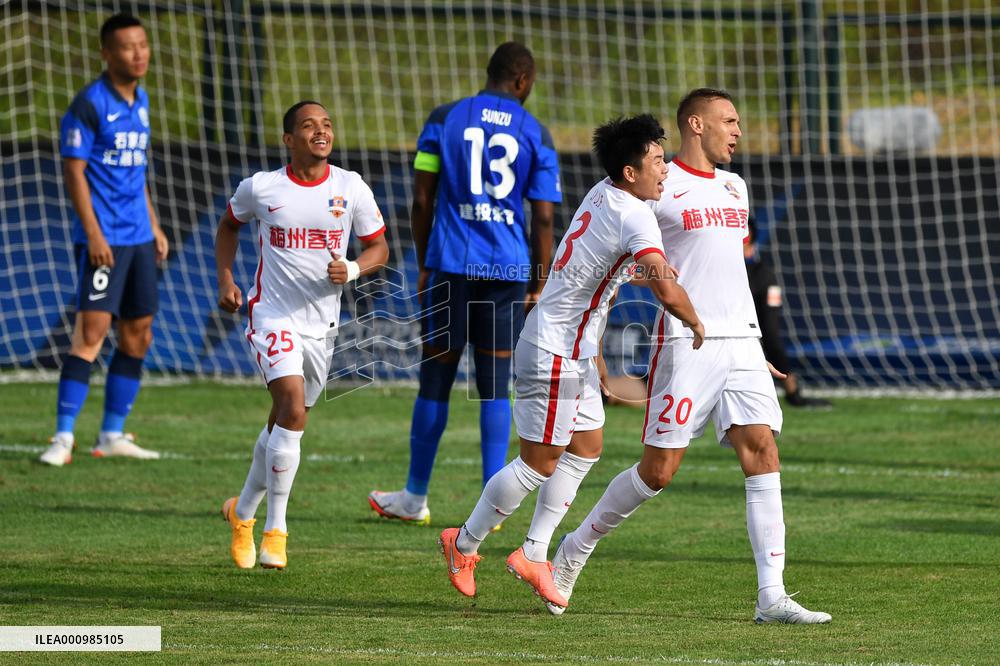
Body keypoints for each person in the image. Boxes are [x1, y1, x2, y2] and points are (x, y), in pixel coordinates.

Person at [549, 89, 832, 624]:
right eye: (730, 120)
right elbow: (617, 257)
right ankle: (575, 546)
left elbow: (728, 271)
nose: (738, 131)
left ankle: (771, 596)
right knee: (658, 472)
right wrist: (612, 323)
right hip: (685, 343)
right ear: (696, 124)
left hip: (740, 342)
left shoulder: (735, 186)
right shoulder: (656, 185)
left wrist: (751, 343)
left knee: (762, 450)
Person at [438, 114, 704, 611]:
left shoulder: (605, 192)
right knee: (538, 462)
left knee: (586, 446)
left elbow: (601, 282)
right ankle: (464, 541)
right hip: (553, 349)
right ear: (630, 172)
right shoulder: (635, 215)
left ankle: (534, 551)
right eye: (656, 160)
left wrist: (596, 352)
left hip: (574, 349)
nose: (665, 168)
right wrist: (696, 321)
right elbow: (664, 286)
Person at [368, 42, 560, 525]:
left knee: (435, 380)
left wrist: (425, 261)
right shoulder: (534, 132)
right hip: (507, 271)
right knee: (494, 386)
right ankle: (494, 504)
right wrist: (539, 281)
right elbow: (543, 218)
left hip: (451, 266)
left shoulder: (444, 118)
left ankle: (414, 497)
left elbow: (421, 198)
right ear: (522, 81)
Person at [215, 101, 389, 569]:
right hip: (272, 315)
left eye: (327, 124)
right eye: (309, 125)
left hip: (322, 326)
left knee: (284, 420)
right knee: (291, 407)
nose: (321, 131)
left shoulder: (350, 187)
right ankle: (276, 531)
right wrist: (226, 280)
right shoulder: (261, 188)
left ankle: (241, 513)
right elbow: (229, 226)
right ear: (289, 139)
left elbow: (378, 247)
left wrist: (353, 268)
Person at [40, 13, 168, 466]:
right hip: (104, 239)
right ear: (106, 53)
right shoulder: (89, 104)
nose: (139, 54)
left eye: (143, 45)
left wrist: (154, 225)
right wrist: (94, 233)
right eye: (128, 47)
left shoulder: (142, 99)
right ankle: (62, 438)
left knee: (139, 334)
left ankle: (112, 434)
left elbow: (137, 172)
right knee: (91, 334)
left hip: (138, 237)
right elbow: (74, 172)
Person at [745, 218, 832, 408]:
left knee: (770, 335)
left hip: (751, 322)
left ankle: (792, 390)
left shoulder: (764, 275)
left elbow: (770, 331)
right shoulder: (721, 267)